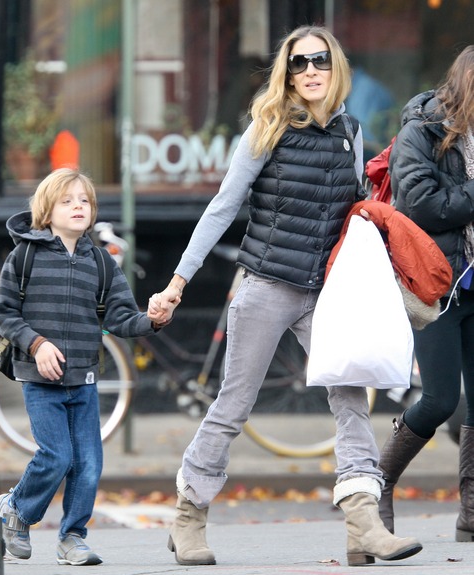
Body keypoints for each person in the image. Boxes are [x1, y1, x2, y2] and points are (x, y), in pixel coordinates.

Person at [148, 25, 422, 567]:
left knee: (351, 398)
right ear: (287, 73)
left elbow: (352, 208)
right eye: (299, 63)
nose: (311, 70)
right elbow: (223, 206)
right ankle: (188, 517)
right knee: (233, 404)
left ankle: (363, 523)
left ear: (335, 67)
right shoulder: (266, 127)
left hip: (325, 292)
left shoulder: (350, 130)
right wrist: (177, 281)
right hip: (266, 285)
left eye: (320, 60)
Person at [0, 168, 177, 565]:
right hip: (39, 378)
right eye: (67, 200)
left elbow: (121, 318)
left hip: (84, 378)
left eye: (85, 200)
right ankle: (17, 510)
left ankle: (72, 536)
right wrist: (37, 344)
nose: (79, 206)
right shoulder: (24, 256)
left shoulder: (101, 262)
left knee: (89, 463)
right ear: (46, 209)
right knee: (56, 456)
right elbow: (4, 315)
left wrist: (154, 319)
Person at [379, 45, 474, 541]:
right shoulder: (422, 131)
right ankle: (379, 485)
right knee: (439, 399)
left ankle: (472, 513)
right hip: (437, 284)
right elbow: (423, 205)